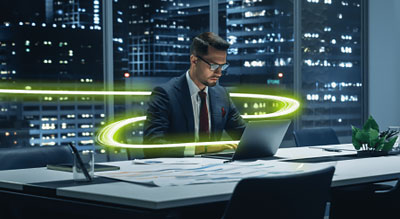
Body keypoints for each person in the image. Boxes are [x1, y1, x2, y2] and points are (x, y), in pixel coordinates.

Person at [143, 32, 246, 158]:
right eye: (213, 66)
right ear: (194, 60)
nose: (219, 73)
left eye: (223, 66)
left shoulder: (221, 94)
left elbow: (243, 134)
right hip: (175, 171)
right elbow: (152, 145)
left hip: (213, 170)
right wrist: (203, 148)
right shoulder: (165, 94)